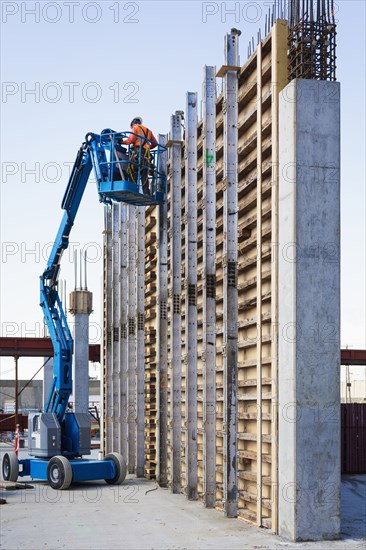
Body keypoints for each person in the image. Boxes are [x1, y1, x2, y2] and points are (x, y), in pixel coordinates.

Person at [122, 117, 158, 195]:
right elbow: (155, 143)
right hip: (146, 155)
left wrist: (122, 142)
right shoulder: (149, 131)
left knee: (132, 171)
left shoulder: (135, 128)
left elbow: (130, 140)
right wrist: (147, 148)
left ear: (132, 124)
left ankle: (133, 191)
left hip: (138, 153)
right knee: (144, 174)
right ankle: (146, 193)